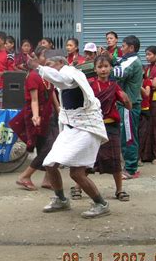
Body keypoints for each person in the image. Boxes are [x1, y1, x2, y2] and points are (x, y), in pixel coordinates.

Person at [28, 49, 110, 219]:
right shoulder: (63, 81)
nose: (47, 68)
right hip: (71, 127)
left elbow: (60, 78)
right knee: (49, 164)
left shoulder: (70, 73)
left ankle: (101, 204)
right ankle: (60, 199)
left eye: (49, 64)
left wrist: (38, 67)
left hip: (88, 128)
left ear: (60, 63)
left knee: (76, 173)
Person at [9, 45, 59, 190]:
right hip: (36, 116)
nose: (49, 58)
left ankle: (47, 179)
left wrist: (58, 109)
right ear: (37, 58)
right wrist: (36, 116)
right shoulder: (33, 76)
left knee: (50, 147)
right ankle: (25, 176)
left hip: (49, 115)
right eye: (45, 56)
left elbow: (52, 93)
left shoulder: (47, 74)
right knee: (48, 148)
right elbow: (34, 100)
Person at [89, 54, 132, 201]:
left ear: (111, 68)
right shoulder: (89, 85)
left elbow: (127, 104)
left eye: (106, 66)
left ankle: (119, 190)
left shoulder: (114, 86)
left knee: (115, 159)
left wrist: (126, 98)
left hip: (111, 126)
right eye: (100, 67)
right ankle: (78, 187)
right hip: (93, 126)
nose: (103, 70)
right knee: (88, 158)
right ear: (95, 69)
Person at [111, 35, 143, 180]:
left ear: (131, 48)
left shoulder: (132, 62)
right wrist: (108, 58)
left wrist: (101, 69)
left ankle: (131, 169)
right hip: (124, 105)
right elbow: (118, 62)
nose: (121, 49)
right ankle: (129, 166)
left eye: (123, 46)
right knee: (125, 135)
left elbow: (118, 72)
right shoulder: (127, 59)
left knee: (128, 137)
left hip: (129, 105)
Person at [138, 69, 152, 165]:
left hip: (144, 110)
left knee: (142, 135)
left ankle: (140, 157)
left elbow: (147, 93)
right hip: (134, 109)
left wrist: (138, 86)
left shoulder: (146, 81)